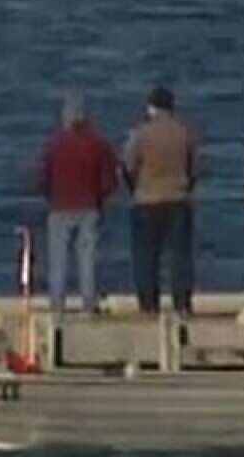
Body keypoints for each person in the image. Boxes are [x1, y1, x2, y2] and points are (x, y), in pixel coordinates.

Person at [36, 92, 118, 319]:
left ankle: (57, 305)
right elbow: (110, 180)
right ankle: (88, 304)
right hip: (89, 207)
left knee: (58, 260)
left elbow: (42, 179)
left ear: (65, 118)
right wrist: (100, 199)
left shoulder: (54, 145)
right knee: (87, 259)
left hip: (60, 207)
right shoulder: (98, 145)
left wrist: (51, 197)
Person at [122, 86, 200, 316]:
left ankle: (148, 304)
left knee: (146, 256)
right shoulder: (184, 133)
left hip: (147, 199)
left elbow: (128, 165)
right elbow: (196, 167)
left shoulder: (141, 134)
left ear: (151, 108)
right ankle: (182, 302)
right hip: (178, 199)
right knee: (180, 256)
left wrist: (135, 187)